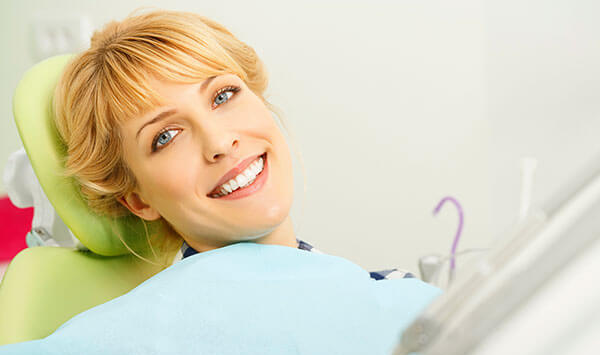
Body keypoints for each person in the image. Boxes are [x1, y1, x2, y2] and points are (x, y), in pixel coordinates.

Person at [53, 9, 414, 279]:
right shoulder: (171, 353)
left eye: (223, 95)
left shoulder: (383, 290)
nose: (220, 142)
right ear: (137, 199)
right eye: (165, 137)